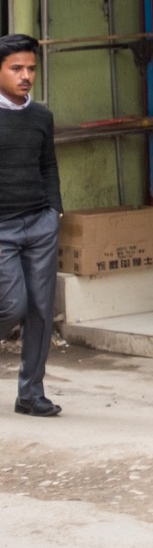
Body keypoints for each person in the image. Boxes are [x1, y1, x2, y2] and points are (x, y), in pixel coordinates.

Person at [0, 34, 62, 417]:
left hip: (40, 223)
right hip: (1, 229)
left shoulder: (41, 116)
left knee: (41, 309)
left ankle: (30, 394)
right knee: (12, 305)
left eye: (31, 69)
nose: (26, 76)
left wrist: (55, 209)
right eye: (16, 69)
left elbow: (48, 164)